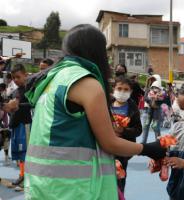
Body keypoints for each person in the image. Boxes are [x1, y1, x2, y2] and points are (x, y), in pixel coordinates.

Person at [23, 24, 166, 199]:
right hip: (73, 189)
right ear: (96, 52)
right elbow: (109, 143)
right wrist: (149, 148)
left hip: (41, 185)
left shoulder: (53, 79)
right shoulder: (85, 82)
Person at [111, 76, 142, 192]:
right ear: (113, 89)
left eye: (126, 89)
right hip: (105, 149)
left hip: (122, 151)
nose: (122, 92)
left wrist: (123, 131)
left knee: (119, 180)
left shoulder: (132, 108)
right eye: (119, 88)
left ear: (131, 91)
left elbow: (138, 130)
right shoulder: (105, 105)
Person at [8, 64, 32, 192]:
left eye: (18, 77)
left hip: (24, 125)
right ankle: (22, 175)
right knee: (18, 153)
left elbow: (32, 104)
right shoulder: (15, 91)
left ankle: (27, 178)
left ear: (25, 75)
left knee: (25, 153)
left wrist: (19, 105)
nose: (16, 80)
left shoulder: (29, 89)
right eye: (13, 78)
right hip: (15, 125)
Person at [142, 79, 165, 143]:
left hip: (157, 111)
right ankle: (143, 143)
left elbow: (162, 100)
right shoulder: (149, 91)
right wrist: (151, 102)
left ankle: (159, 143)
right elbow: (146, 98)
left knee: (155, 127)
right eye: (154, 87)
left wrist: (156, 99)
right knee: (146, 127)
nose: (155, 89)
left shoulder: (161, 93)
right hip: (149, 109)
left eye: (156, 87)